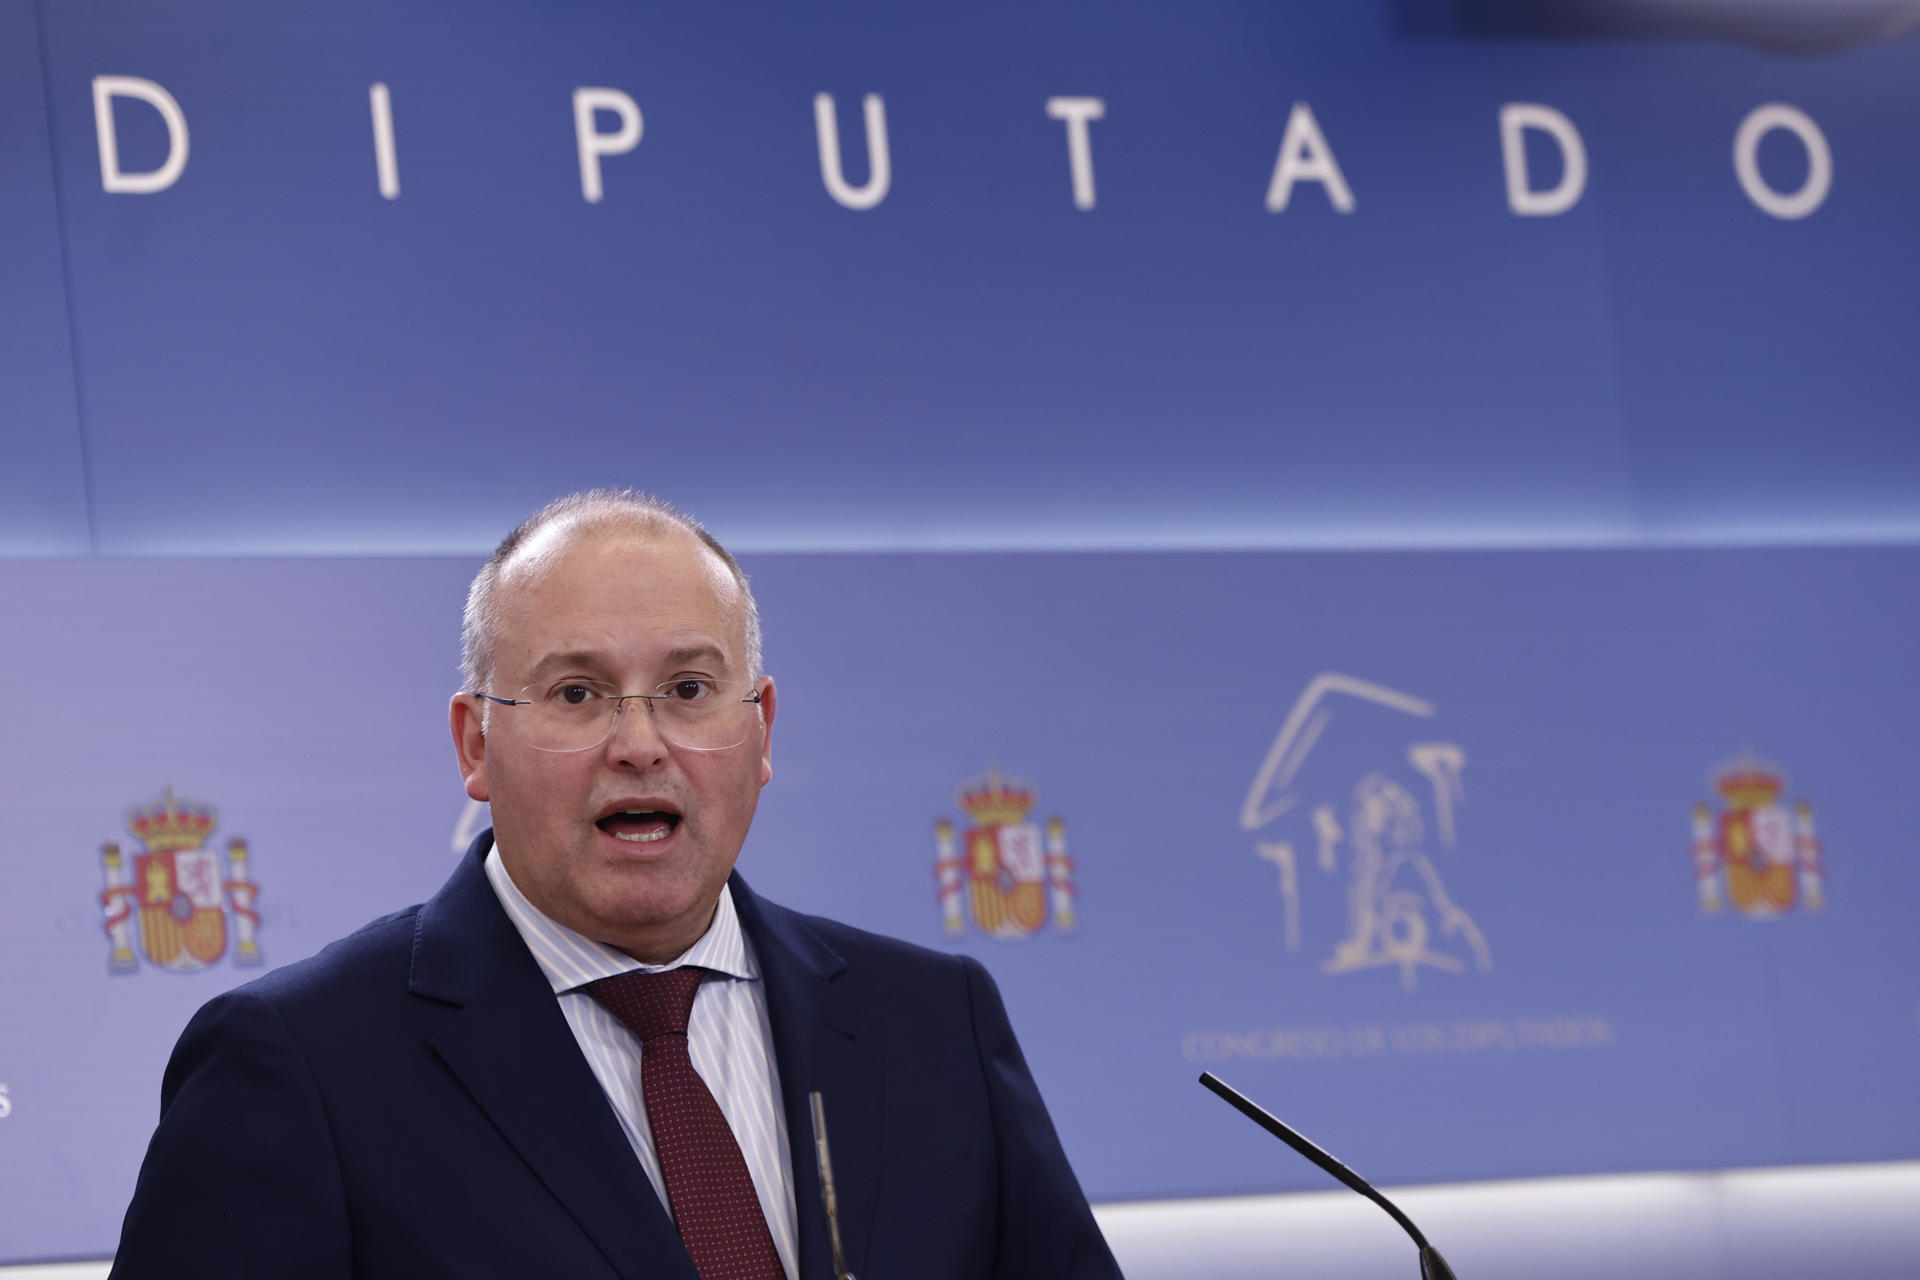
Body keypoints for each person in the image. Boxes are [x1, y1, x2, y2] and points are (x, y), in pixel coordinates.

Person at [109, 490, 1122, 1280]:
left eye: (687, 689)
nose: (640, 744)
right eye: (577, 693)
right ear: (475, 742)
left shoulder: (934, 1022)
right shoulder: (300, 1065)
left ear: (761, 727)